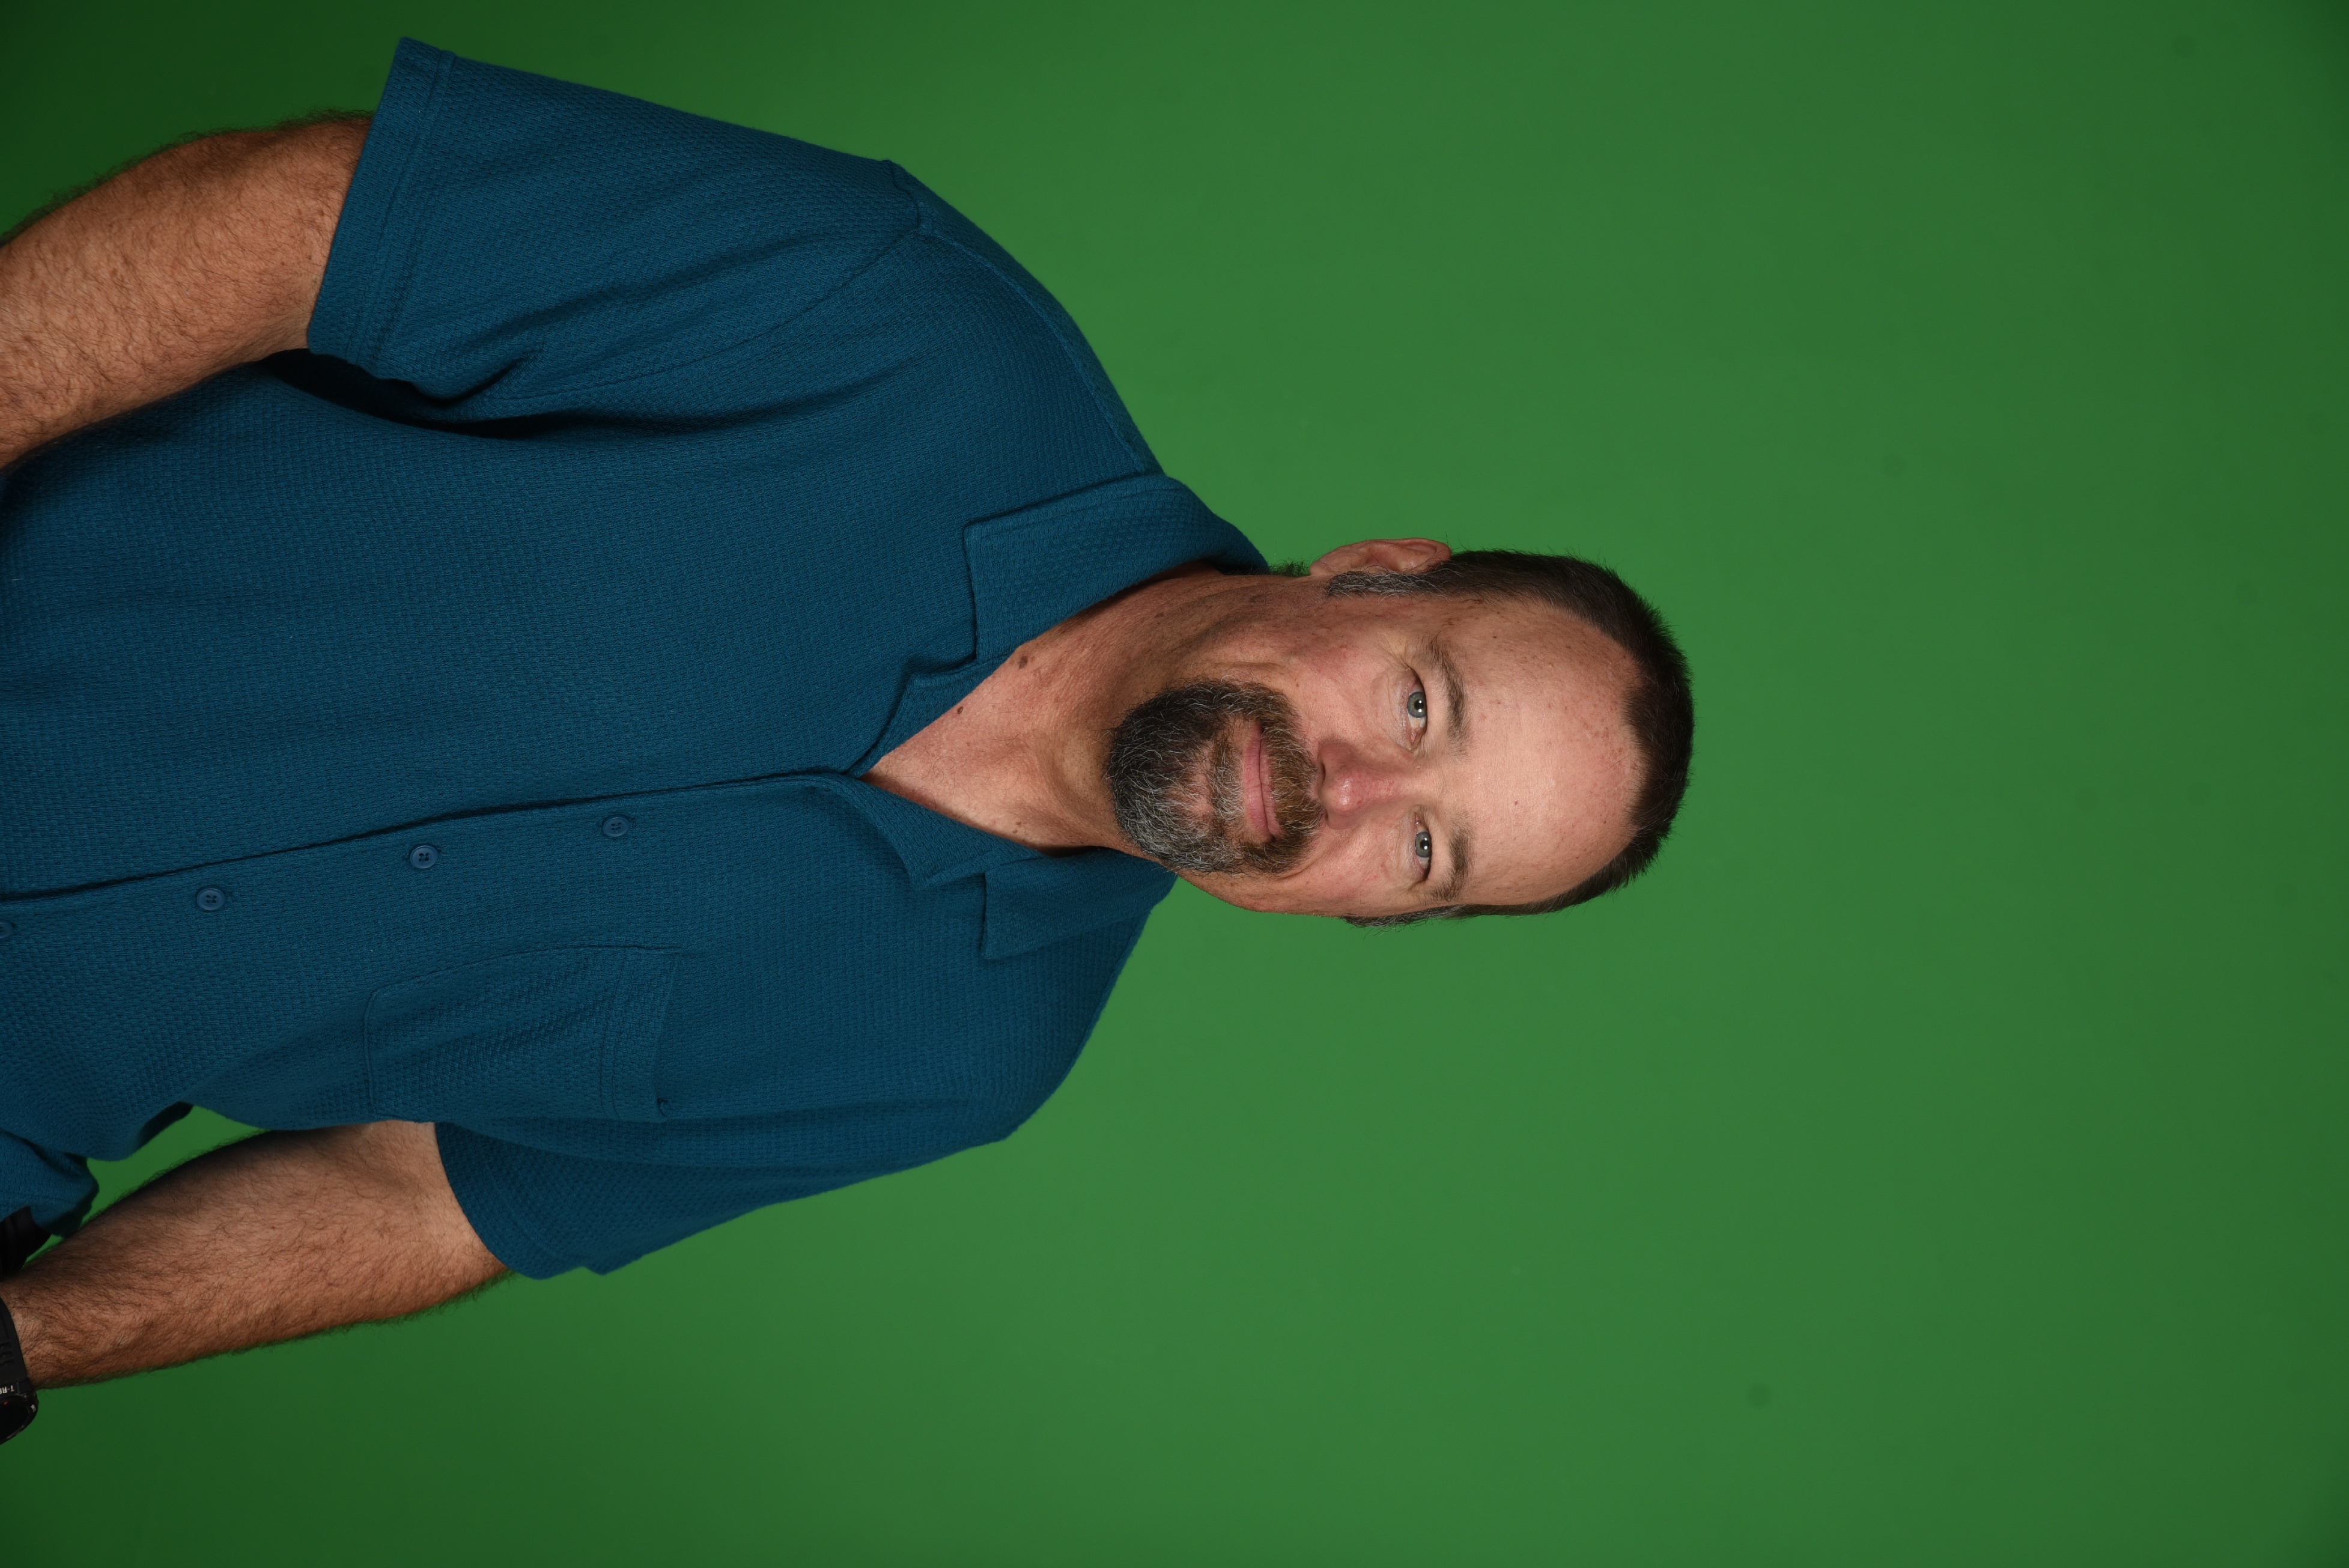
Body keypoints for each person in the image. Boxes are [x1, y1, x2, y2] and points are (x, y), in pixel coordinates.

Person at [0, 41, 1692, 1436]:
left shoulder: (968, 1056)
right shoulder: (903, 319)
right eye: (1419, 704)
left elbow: (429, 1197)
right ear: (1375, 571)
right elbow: (306, 220)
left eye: (1427, 849)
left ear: (1374, 917)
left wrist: (28, 1340)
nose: (1357, 790)